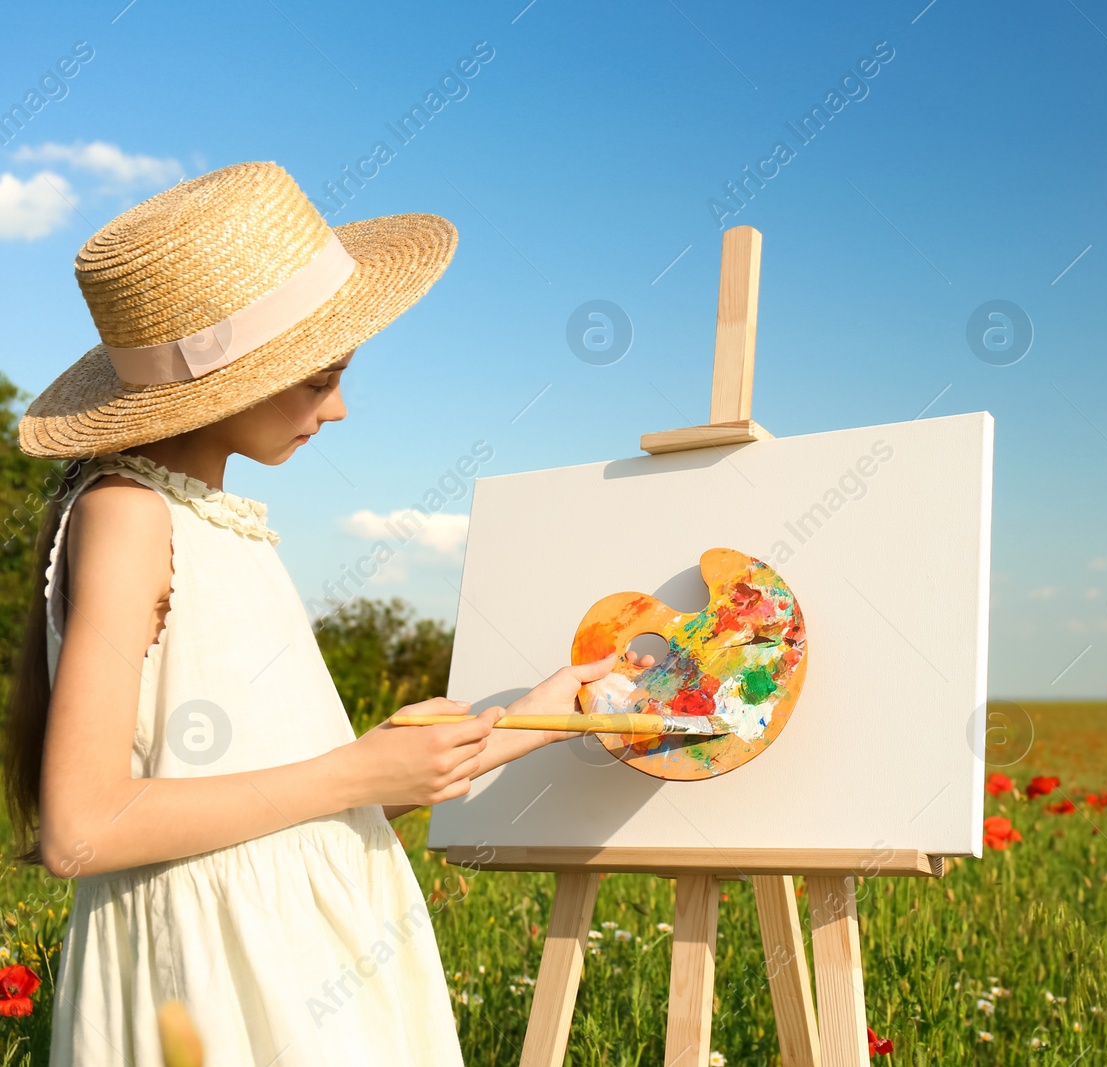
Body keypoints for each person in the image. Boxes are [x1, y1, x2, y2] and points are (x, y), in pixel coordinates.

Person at [1, 161, 647, 1064]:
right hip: (219, 986)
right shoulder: (128, 514)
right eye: (319, 380)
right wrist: (354, 771)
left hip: (304, 967)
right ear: (223, 380)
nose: (338, 409)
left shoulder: (217, 522)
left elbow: (311, 783)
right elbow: (82, 825)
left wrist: (548, 712)